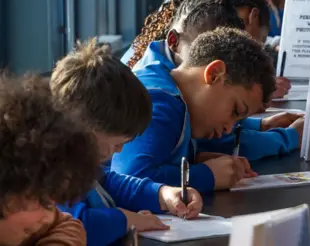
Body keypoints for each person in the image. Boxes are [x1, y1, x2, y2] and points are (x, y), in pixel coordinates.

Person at [122, 0, 303, 161]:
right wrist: (287, 138)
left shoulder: (173, 81)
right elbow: (135, 174)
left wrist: (258, 125)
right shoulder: (159, 98)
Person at [52, 39, 203, 246]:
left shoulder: (81, 165)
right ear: (83, 129)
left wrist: (163, 194)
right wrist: (128, 220)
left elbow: (109, 184)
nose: (121, 150)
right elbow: (77, 224)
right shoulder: (52, 171)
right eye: (116, 144)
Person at [111, 27, 277, 192]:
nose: (229, 129)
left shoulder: (171, 89)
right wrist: (205, 175)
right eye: (235, 111)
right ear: (214, 74)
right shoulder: (160, 103)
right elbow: (129, 178)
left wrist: (192, 160)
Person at [0, 75, 100, 246]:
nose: (47, 216)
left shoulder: (38, 221)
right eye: (40, 198)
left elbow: (67, 223)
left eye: (51, 201)